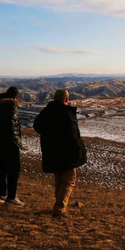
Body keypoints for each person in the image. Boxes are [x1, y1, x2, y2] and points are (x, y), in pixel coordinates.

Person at [33, 89, 87, 217]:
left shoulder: (47, 111)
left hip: (51, 151)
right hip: (67, 153)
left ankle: (59, 205)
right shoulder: (66, 113)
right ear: (66, 100)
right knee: (69, 180)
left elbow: (37, 126)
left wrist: (50, 136)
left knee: (59, 180)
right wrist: (78, 151)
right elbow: (74, 135)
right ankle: (59, 208)